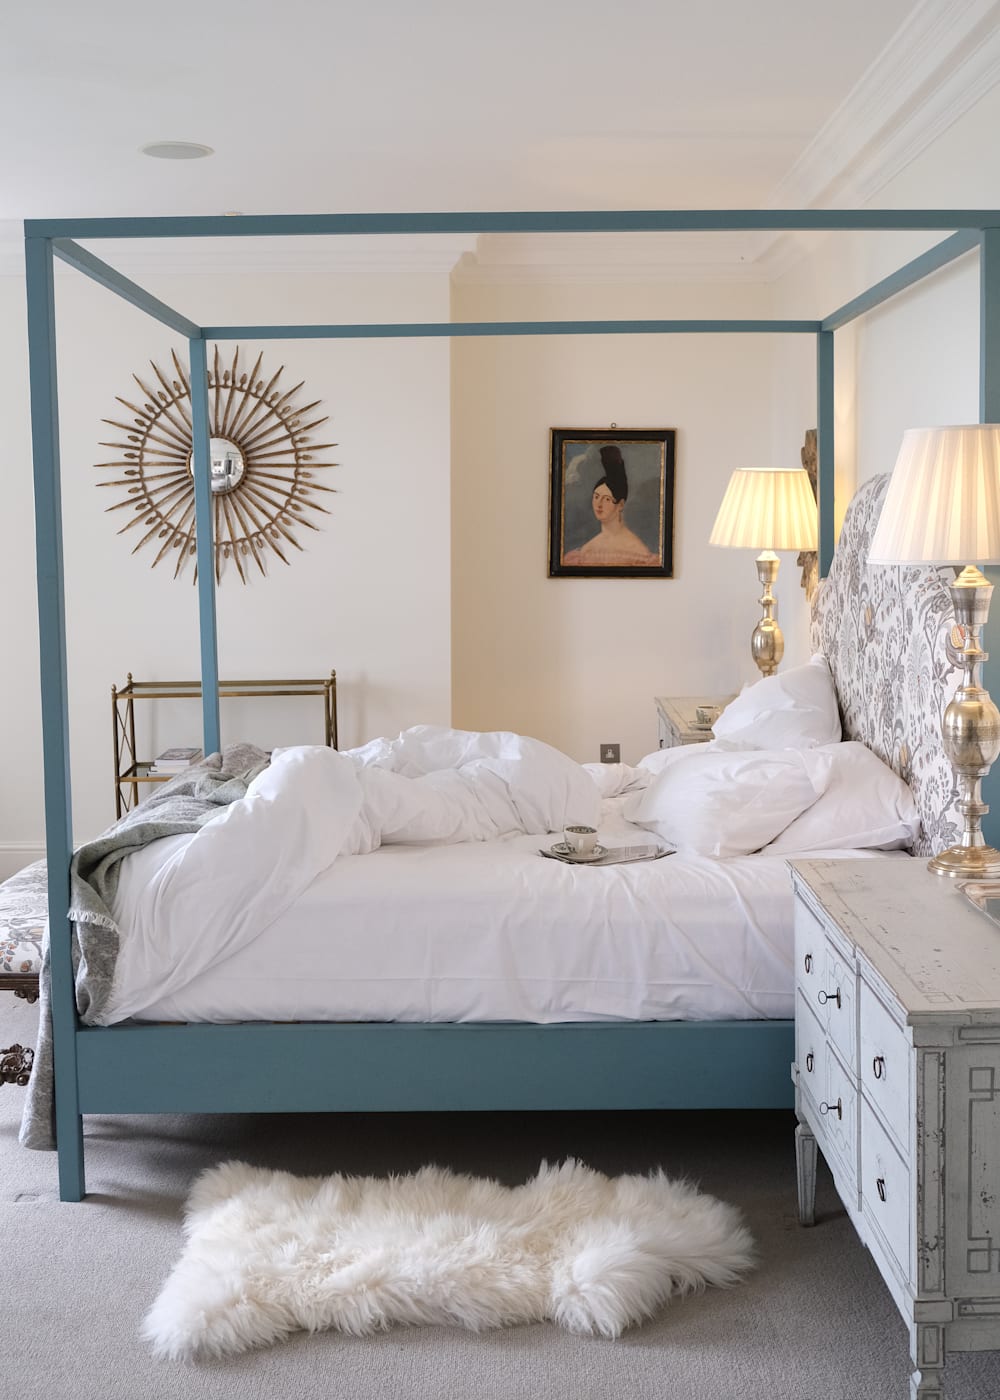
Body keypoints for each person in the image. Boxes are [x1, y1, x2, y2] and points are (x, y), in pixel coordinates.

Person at [562, 444, 659, 567]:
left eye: (607, 499)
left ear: (621, 504)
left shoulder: (638, 551)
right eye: (596, 497)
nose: (599, 504)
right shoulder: (584, 551)